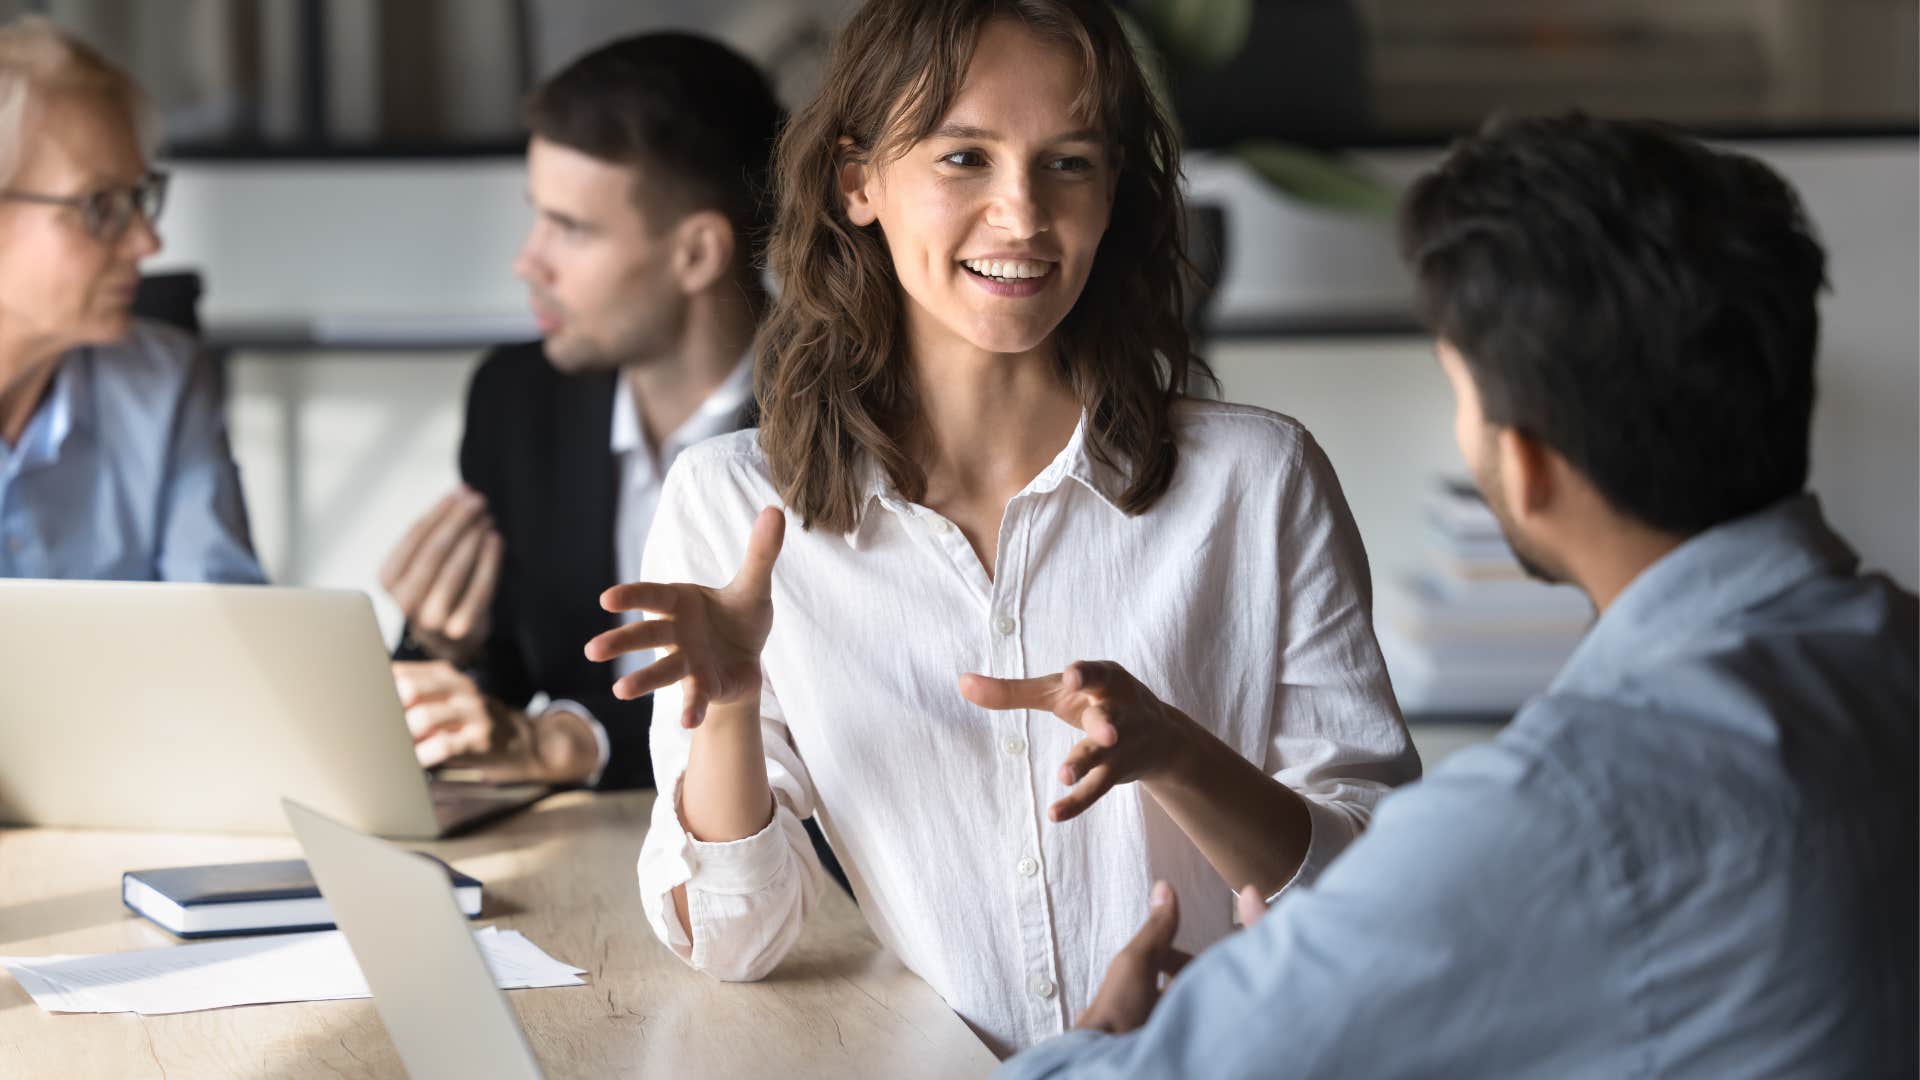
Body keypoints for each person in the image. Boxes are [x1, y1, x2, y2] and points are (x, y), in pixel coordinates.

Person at [1001, 114, 1918, 1078]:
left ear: (1524, 467)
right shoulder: (1891, 653)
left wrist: (1099, 1040)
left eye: (1464, 393)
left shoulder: (1558, 815)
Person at [593, 0, 1416, 1057]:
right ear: (857, 182)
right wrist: (732, 709)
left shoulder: (1258, 480)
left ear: (1114, 188)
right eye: (965, 158)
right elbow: (735, 941)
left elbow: (1371, 892)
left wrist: (1179, 755)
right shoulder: (730, 505)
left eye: (1068, 162)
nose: (1022, 214)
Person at [378, 34, 780, 788]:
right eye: (540, 217)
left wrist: (572, 740)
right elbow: (488, 714)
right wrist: (439, 646)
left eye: (572, 228)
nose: (529, 261)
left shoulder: (846, 419)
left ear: (696, 253)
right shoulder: (516, 398)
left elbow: (821, 709)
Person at [0, 17, 262, 584]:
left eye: (141, 199)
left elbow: (224, 631)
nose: (148, 242)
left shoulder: (166, 384)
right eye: (100, 206)